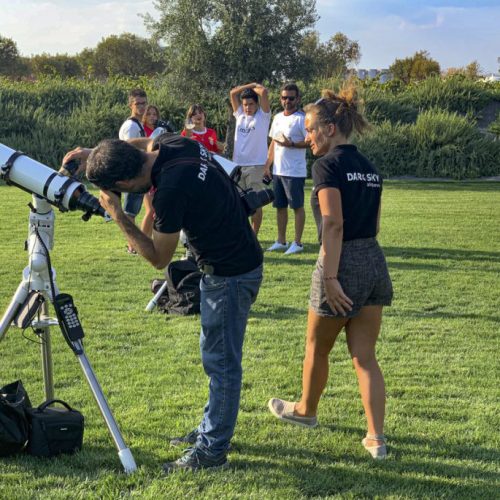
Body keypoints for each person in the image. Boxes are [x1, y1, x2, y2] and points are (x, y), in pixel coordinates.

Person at [63, 133, 263, 473]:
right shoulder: (174, 145)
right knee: (215, 356)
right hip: (233, 263)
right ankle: (211, 429)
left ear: (124, 184)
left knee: (222, 364)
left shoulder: (170, 192)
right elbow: (141, 144)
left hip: (230, 274)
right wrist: (93, 153)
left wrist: (118, 215)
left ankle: (212, 450)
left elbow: (159, 258)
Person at [268, 85, 393, 460]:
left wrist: (330, 277)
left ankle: (306, 411)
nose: (307, 137)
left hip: (341, 262)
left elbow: (333, 224)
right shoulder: (369, 168)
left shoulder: (327, 166)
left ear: (330, 128)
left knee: (316, 346)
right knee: (365, 356)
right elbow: (374, 224)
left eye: (309, 129)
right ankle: (376, 438)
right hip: (373, 260)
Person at [264, 82, 308, 255]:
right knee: (280, 206)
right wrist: (267, 165)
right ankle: (281, 241)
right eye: (284, 98)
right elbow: (273, 143)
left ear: (297, 99)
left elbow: (310, 141)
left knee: (297, 206)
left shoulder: (302, 119)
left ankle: (298, 242)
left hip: (294, 171)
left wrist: (292, 144)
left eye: (291, 98)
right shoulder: (277, 118)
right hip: (278, 171)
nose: (287, 101)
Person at [230, 82, 271, 235]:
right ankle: (243, 235)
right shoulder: (239, 114)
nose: (248, 107)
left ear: (257, 104)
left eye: (251, 104)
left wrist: (254, 85)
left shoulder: (263, 116)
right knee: (239, 203)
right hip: (238, 166)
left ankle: (254, 236)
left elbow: (264, 92)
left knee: (255, 203)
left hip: (256, 166)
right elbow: (232, 93)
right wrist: (249, 85)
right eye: (245, 104)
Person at [119, 88, 148, 254]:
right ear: (131, 105)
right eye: (138, 104)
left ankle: (133, 244)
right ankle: (132, 246)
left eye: (144, 103)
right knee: (130, 212)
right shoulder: (131, 126)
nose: (142, 107)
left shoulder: (138, 124)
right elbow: (129, 151)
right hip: (132, 173)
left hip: (137, 172)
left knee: (133, 211)